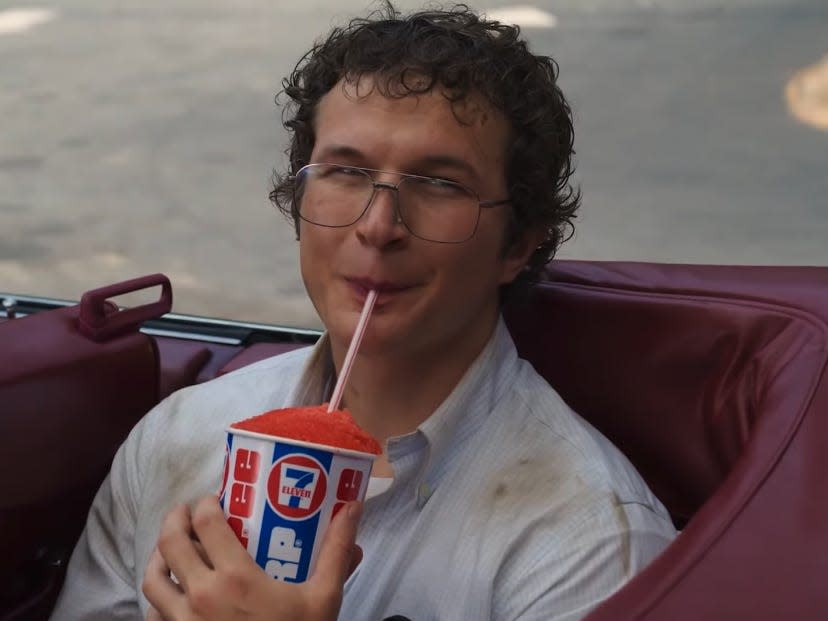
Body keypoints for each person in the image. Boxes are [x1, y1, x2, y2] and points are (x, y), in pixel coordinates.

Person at [51, 3, 677, 620]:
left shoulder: (588, 542)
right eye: (345, 171)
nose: (379, 227)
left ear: (518, 243)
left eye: (439, 184)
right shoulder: (180, 437)